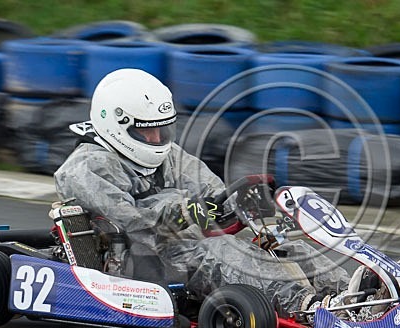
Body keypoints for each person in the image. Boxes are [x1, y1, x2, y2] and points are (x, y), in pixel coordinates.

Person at [54, 68, 350, 315]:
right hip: (135, 262)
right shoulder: (85, 168)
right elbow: (133, 224)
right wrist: (182, 212)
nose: (157, 139)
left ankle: (351, 296)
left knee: (281, 248)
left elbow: (213, 192)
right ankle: (305, 306)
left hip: (185, 250)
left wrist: (241, 203)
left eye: (162, 129)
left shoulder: (166, 155)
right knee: (220, 251)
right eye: (146, 131)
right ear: (116, 125)